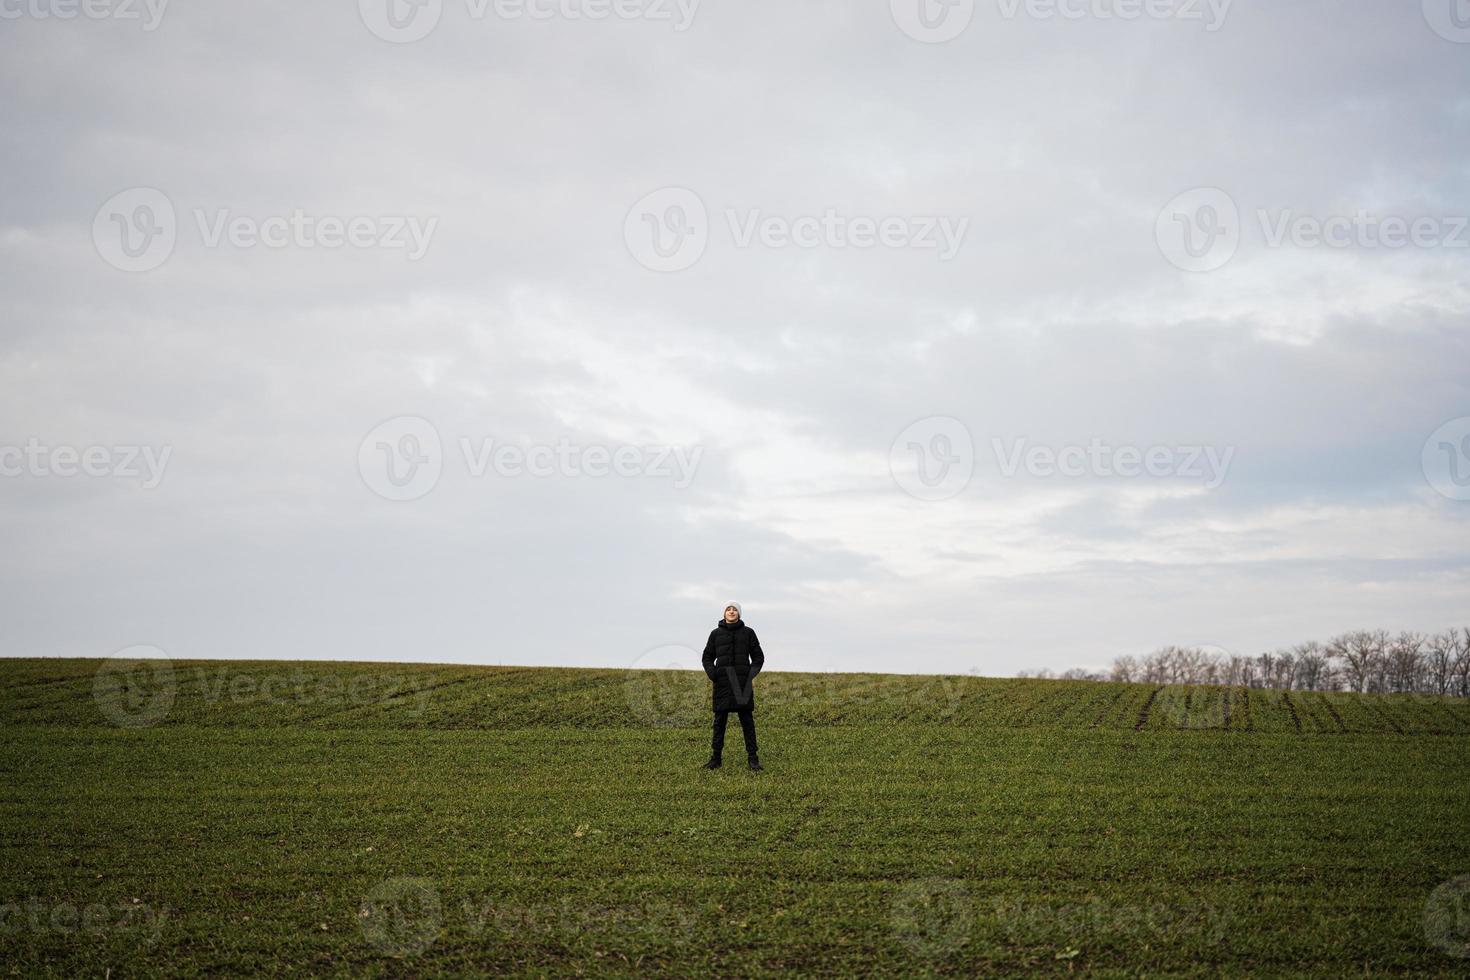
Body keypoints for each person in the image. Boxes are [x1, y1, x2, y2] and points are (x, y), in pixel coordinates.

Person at [700, 601, 765, 771]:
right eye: (728, 609)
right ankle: (716, 759)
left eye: (734, 609)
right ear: (724, 613)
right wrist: (713, 674)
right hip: (722, 684)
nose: (731, 611)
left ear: (739, 614)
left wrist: (749, 676)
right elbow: (707, 656)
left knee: (747, 722)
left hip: (742, 685)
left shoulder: (749, 633)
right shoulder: (715, 634)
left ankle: (753, 759)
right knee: (719, 722)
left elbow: (758, 657)